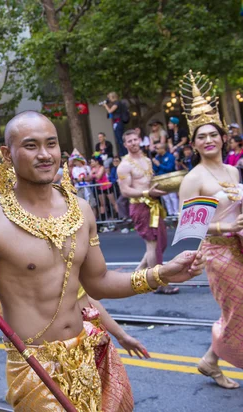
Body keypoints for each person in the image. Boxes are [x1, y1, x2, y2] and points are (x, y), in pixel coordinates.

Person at [0, 111, 204, 410]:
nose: (45, 155)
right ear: (8, 154)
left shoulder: (81, 210)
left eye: (51, 144)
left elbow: (98, 283)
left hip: (86, 356)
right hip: (33, 367)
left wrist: (162, 273)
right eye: (31, 146)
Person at [178, 73, 242, 388]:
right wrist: (224, 225)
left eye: (213, 135)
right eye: (201, 137)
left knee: (238, 308)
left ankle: (210, 360)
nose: (208, 140)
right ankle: (211, 360)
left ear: (222, 138)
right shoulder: (195, 178)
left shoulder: (232, 169)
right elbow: (189, 228)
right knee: (238, 306)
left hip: (240, 246)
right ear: (194, 143)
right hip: (217, 252)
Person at [117, 131, 180, 295]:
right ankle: (158, 283)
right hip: (140, 206)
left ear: (140, 140)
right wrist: (146, 194)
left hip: (154, 205)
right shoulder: (124, 165)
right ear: (125, 145)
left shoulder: (146, 160)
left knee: (161, 243)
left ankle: (137, 274)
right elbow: (125, 191)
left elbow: (151, 182)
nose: (133, 143)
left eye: (135, 139)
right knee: (152, 245)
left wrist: (164, 188)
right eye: (129, 141)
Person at [152, 143, 179, 216]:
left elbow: (170, 168)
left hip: (169, 178)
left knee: (172, 196)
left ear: (162, 149)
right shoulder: (157, 157)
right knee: (166, 198)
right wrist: (155, 165)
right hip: (161, 180)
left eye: (157, 149)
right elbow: (155, 169)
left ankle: (176, 212)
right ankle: (170, 213)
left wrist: (159, 165)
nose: (156, 150)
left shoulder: (170, 157)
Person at [91, 156, 118, 223]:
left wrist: (93, 174)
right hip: (100, 187)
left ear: (97, 162)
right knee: (102, 204)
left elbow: (99, 176)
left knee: (113, 202)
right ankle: (103, 221)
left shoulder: (102, 167)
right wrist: (93, 174)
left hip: (107, 186)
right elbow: (90, 176)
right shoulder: (93, 169)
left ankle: (119, 216)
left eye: (92, 161)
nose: (91, 163)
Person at [102, 92, 128, 156]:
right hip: (116, 122)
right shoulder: (115, 104)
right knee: (118, 139)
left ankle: (124, 153)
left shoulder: (117, 103)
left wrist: (105, 106)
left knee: (120, 139)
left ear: (113, 97)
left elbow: (110, 111)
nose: (109, 99)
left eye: (109, 97)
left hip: (118, 122)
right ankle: (122, 153)